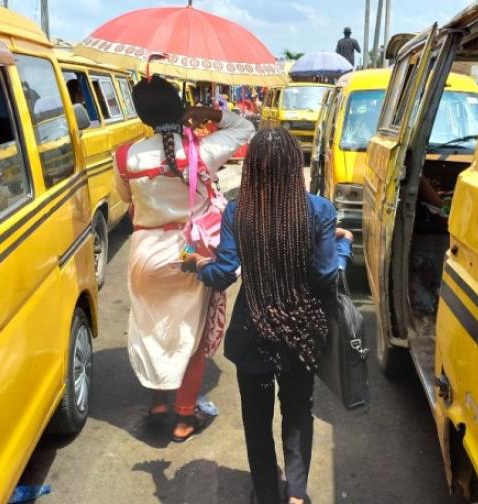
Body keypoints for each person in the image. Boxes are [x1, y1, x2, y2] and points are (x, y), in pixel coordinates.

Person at [188, 129, 353, 504]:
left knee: (257, 423)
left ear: (252, 170)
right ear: (297, 167)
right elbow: (328, 275)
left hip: (254, 337)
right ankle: (296, 496)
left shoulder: (237, 211)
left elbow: (224, 273)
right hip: (300, 336)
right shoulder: (319, 210)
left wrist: (197, 265)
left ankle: (265, 495)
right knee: (297, 414)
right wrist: (342, 245)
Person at [114, 76, 254, 442]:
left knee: (151, 327)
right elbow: (245, 127)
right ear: (180, 108)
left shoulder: (125, 156)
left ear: (141, 113)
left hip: (145, 250)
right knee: (190, 332)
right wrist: (208, 113)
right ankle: (184, 418)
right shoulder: (202, 151)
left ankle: (160, 403)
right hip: (187, 250)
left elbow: (126, 199)